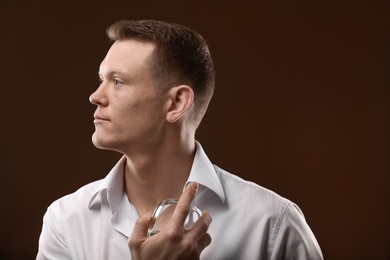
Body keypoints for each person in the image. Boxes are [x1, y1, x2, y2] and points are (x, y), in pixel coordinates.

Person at [37, 20, 324, 260]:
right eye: (101, 79)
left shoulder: (270, 223)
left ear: (176, 103)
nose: (95, 96)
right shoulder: (66, 222)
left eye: (118, 81)